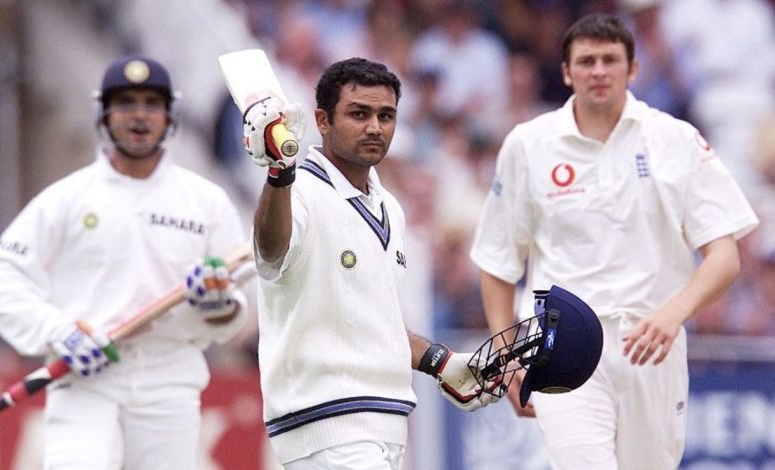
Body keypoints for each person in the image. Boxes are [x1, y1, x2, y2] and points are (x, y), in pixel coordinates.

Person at [470, 13, 759, 470]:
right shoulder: (529, 145)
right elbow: (496, 262)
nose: (598, 71)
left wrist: (672, 315)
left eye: (610, 60)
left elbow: (724, 256)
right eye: (586, 61)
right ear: (566, 72)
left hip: (652, 343)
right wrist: (507, 362)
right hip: (563, 345)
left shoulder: (675, 139)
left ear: (633, 69)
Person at [0, 55, 248, 469]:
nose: (139, 116)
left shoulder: (205, 201)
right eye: (125, 103)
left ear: (169, 113)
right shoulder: (68, 197)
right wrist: (59, 332)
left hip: (169, 379)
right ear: (103, 112)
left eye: (150, 104)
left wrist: (217, 303)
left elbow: (234, 309)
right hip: (85, 378)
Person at [242, 57, 502, 469]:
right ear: (322, 121)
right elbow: (271, 254)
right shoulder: (300, 190)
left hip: (384, 423)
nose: (375, 127)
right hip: (328, 422)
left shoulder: (388, 207)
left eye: (386, 115)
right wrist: (278, 174)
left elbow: (377, 321)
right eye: (359, 114)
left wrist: (442, 361)